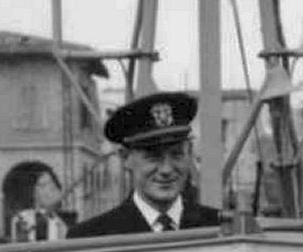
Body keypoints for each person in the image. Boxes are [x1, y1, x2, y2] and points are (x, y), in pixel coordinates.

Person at [67, 91, 220, 238]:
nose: (166, 169)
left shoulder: (220, 228)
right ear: (126, 158)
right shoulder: (90, 237)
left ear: (189, 152)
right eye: (153, 157)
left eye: (176, 154)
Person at [10, 167, 70, 242]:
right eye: (43, 185)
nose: (48, 190)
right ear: (33, 191)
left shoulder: (60, 224)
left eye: (51, 185)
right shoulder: (21, 218)